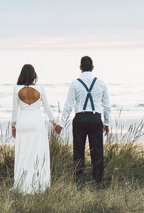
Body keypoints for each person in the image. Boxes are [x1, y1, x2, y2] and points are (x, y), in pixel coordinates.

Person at [53, 55, 111, 185]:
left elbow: (68, 105)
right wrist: (106, 123)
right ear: (93, 67)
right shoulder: (101, 83)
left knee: (78, 151)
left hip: (80, 118)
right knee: (97, 151)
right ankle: (98, 182)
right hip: (96, 118)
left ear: (80, 68)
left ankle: (79, 182)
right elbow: (107, 106)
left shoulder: (75, 83)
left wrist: (61, 124)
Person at [10, 63, 57, 193]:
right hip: (37, 122)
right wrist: (54, 122)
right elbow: (47, 108)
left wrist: (13, 126)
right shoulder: (40, 88)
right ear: (33, 75)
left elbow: (15, 110)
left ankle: (22, 184)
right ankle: (39, 184)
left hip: (23, 121)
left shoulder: (16, 88)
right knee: (38, 152)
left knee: (23, 153)